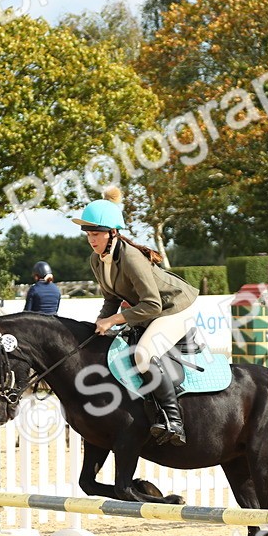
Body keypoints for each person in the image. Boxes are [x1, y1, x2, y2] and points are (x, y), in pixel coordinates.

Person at [73, 187, 199, 446]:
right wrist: (100, 325)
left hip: (175, 308)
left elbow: (152, 305)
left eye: (96, 234)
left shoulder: (131, 258)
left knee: (142, 355)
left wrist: (113, 321)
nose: (91, 240)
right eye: (88, 235)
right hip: (152, 310)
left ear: (112, 233)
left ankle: (174, 422)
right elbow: (111, 298)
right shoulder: (97, 260)